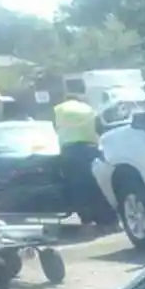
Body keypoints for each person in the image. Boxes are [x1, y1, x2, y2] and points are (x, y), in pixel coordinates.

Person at [52, 87, 111, 227]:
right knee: (96, 186)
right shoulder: (89, 109)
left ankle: (87, 221)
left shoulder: (59, 109)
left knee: (78, 188)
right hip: (90, 149)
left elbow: (55, 128)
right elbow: (100, 129)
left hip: (70, 152)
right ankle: (107, 222)